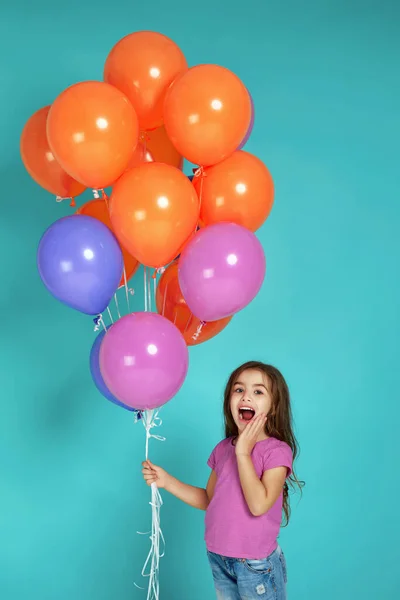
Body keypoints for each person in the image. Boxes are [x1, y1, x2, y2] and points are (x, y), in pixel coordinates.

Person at [142, 361, 303, 599]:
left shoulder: (276, 452)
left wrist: (243, 453)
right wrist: (167, 482)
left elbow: (259, 505)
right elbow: (209, 498)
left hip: (255, 564)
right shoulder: (223, 448)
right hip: (219, 557)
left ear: (274, 406)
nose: (246, 397)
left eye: (258, 392)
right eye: (239, 390)